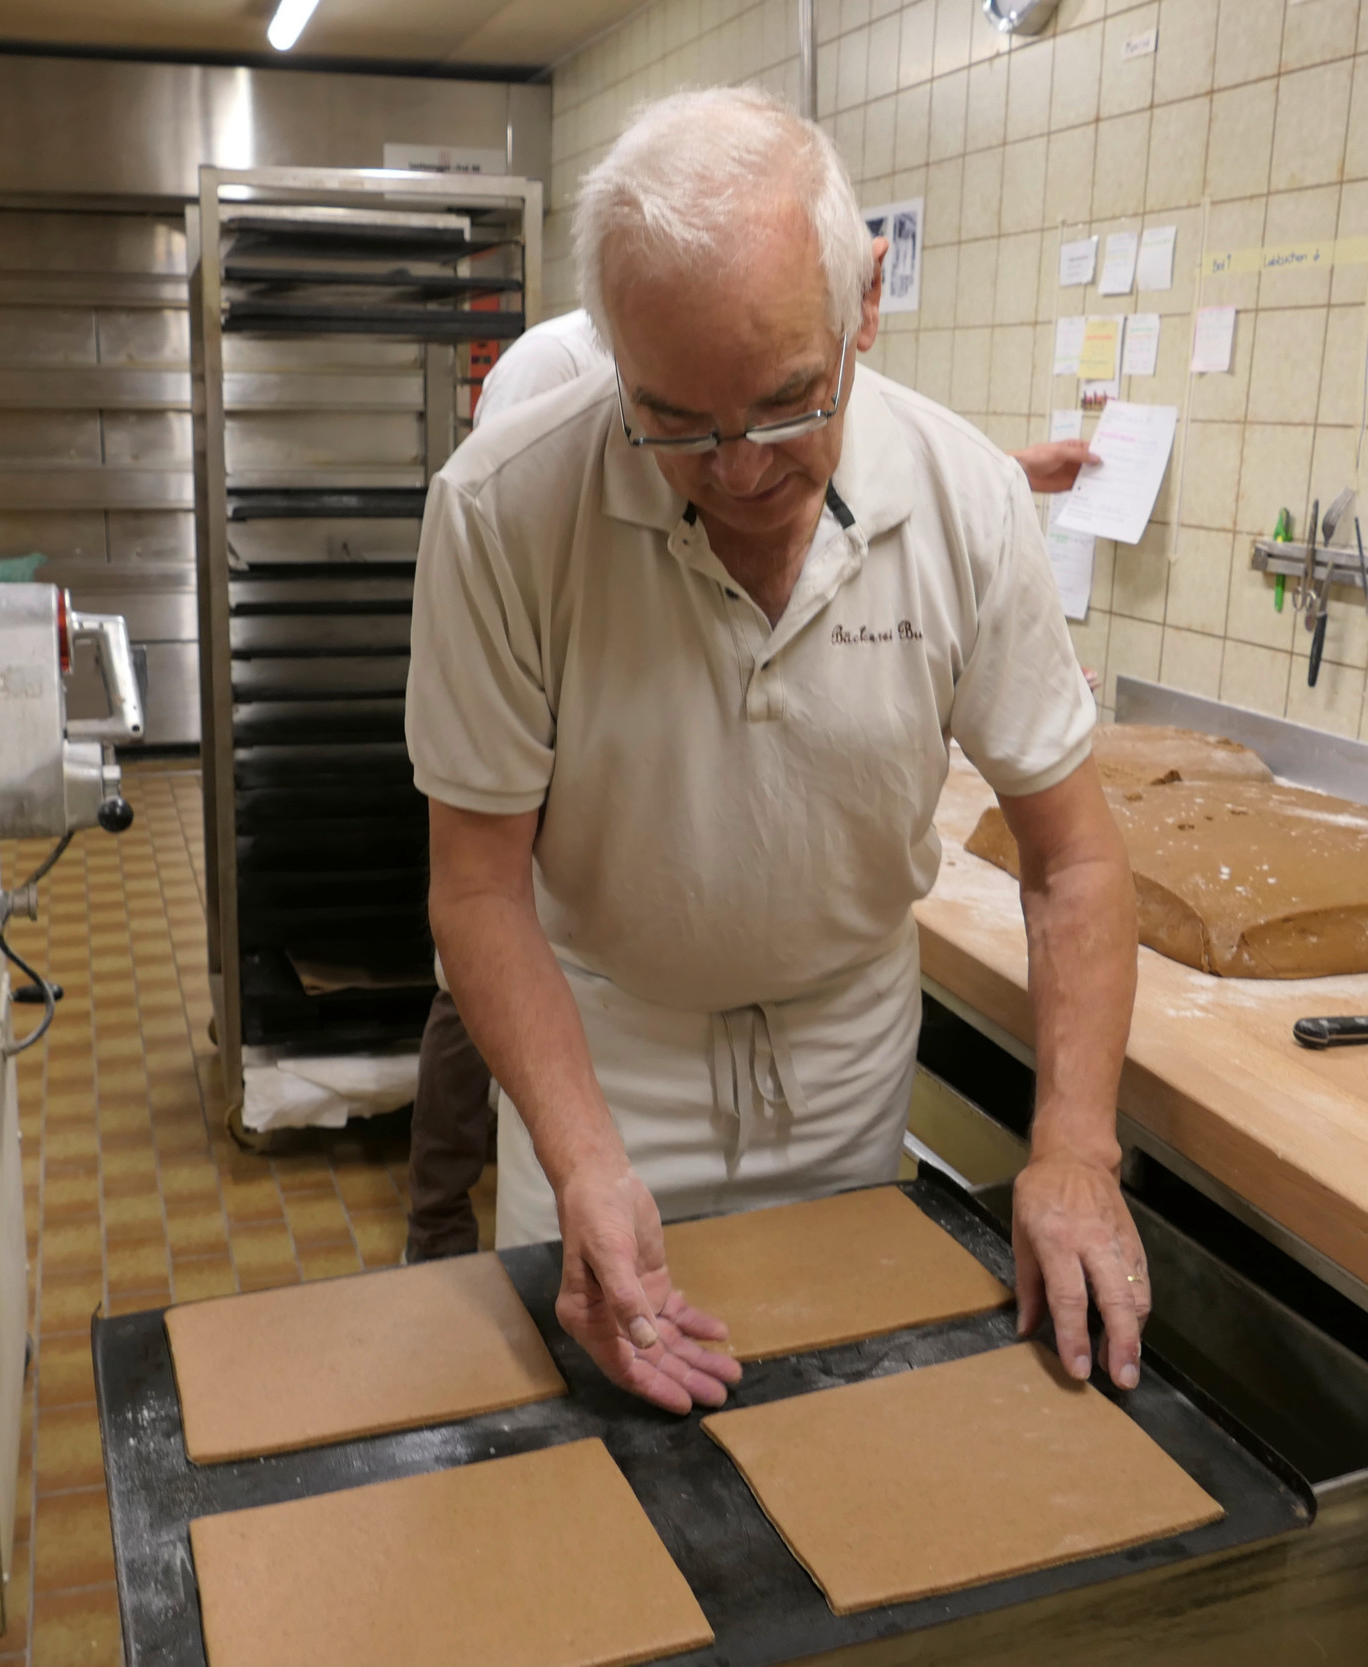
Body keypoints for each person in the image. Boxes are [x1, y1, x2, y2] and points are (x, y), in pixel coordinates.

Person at [406, 87, 1142, 1416]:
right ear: (611, 350)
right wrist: (582, 1162)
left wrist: (1077, 1150)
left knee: (842, 1432)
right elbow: (477, 889)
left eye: (788, 403)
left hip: (846, 1062)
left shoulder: (967, 502)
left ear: (867, 303)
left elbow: (1074, 861)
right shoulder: (504, 513)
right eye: (675, 420)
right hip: (602, 1063)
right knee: (590, 1456)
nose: (739, 468)